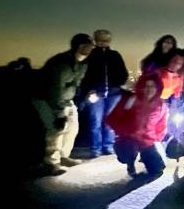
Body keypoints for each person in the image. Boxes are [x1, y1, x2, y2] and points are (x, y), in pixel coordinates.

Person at [32, 33, 94, 175]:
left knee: (72, 127)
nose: (90, 49)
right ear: (79, 46)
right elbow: (55, 89)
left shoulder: (82, 63)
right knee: (56, 129)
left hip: (65, 99)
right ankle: (51, 163)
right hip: (46, 98)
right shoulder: (61, 64)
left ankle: (63, 156)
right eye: (88, 46)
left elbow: (76, 84)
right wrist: (59, 113)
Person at [106, 72, 168, 178]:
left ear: (158, 88)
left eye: (152, 86)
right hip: (129, 140)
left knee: (157, 169)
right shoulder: (131, 100)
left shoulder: (161, 105)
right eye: (146, 86)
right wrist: (124, 132)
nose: (149, 89)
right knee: (128, 151)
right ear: (141, 87)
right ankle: (130, 163)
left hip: (147, 142)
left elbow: (161, 125)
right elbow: (112, 119)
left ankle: (146, 157)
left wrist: (156, 140)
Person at [81, 29, 129, 158]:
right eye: (100, 40)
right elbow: (84, 75)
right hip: (96, 93)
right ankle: (96, 148)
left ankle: (108, 145)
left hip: (113, 93)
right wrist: (90, 89)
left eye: (106, 40)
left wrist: (117, 84)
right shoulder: (90, 55)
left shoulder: (115, 55)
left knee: (111, 121)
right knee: (95, 121)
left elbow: (123, 73)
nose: (103, 43)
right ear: (95, 40)